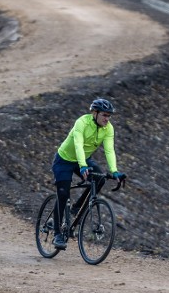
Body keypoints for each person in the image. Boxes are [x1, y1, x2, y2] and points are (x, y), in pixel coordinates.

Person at [50, 98, 126, 249]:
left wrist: (115, 171)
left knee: (100, 179)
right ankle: (57, 234)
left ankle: (77, 208)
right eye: (104, 115)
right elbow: (78, 144)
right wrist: (83, 166)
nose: (107, 119)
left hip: (84, 160)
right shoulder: (82, 122)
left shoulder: (108, 129)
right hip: (64, 160)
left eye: (109, 116)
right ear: (95, 113)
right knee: (63, 194)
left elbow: (109, 150)